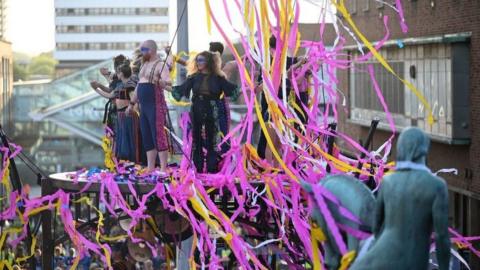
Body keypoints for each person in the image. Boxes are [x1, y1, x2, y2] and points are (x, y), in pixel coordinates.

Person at [350, 127, 450, 270]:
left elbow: (377, 226)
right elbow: (442, 237)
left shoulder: (388, 182)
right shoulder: (437, 186)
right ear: (425, 149)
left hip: (383, 255)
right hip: (414, 260)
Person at [170, 51, 238, 173]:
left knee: (212, 140)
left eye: (201, 60)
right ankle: (198, 168)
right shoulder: (194, 77)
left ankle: (212, 167)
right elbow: (181, 90)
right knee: (196, 139)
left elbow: (232, 90)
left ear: (208, 62)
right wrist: (164, 85)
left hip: (212, 109)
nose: (198, 62)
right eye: (197, 60)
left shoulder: (218, 78)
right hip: (197, 108)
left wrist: (251, 88)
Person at [127, 40, 171, 173]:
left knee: (158, 135)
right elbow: (139, 86)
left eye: (143, 50)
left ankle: (163, 167)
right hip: (143, 107)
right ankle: (150, 166)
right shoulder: (144, 65)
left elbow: (169, 83)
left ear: (151, 50)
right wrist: (131, 104)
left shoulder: (160, 65)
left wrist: (162, 82)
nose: (141, 53)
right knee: (146, 135)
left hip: (155, 105)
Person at [91, 62, 145, 164]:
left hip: (129, 116)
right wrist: (96, 89)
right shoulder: (120, 85)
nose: (117, 74)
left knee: (131, 138)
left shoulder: (130, 85)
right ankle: (124, 161)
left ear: (121, 73)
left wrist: (132, 110)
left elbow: (135, 100)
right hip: (121, 116)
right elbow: (109, 95)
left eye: (118, 72)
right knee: (121, 139)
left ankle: (134, 161)